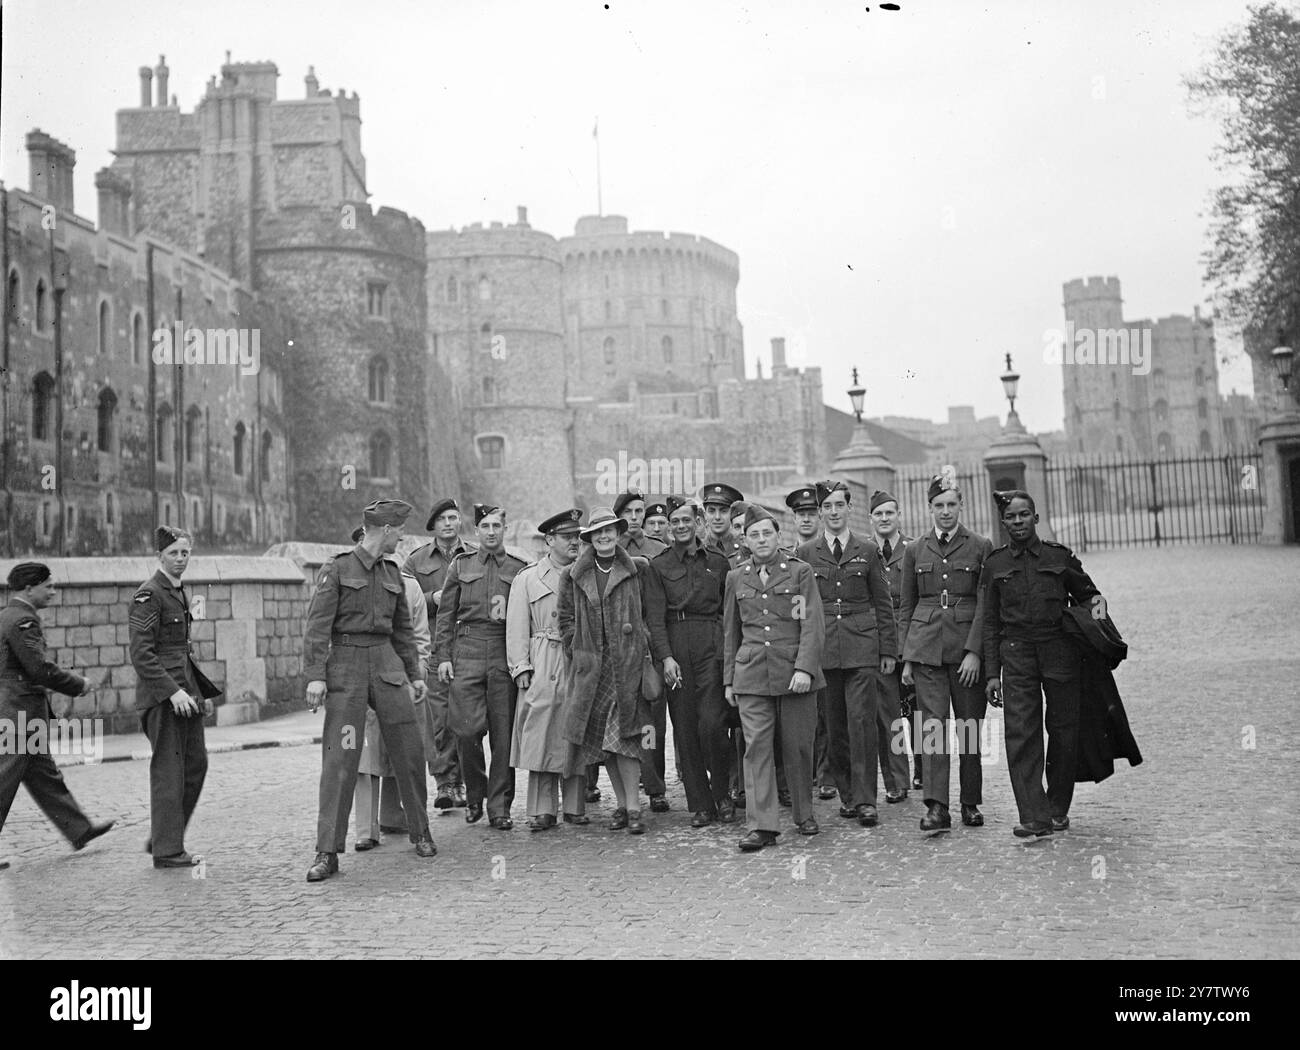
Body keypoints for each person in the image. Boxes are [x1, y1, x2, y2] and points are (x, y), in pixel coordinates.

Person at [302, 499, 435, 883]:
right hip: (346, 667)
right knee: (342, 758)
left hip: (387, 665)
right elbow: (317, 627)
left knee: (409, 748)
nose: (402, 538)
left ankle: (421, 832)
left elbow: (403, 632)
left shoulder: (393, 573)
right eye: (400, 531)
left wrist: (415, 674)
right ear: (387, 530)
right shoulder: (338, 569)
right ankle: (327, 851)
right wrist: (315, 676)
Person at [981, 490, 1107, 838]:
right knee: (1021, 732)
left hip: (1059, 652)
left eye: (1024, 515)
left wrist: (1096, 630)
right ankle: (1033, 814)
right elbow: (989, 623)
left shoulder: (1059, 557)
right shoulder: (995, 565)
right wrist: (992, 674)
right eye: (1011, 517)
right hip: (1016, 653)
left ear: (1035, 518)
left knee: (1064, 729)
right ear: (1003, 522)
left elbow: (1093, 597)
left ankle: (1056, 807)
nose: (1018, 522)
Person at [723, 506, 825, 851]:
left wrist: (804, 668)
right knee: (756, 749)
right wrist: (728, 681)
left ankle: (803, 812)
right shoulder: (736, 577)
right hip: (751, 674)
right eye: (754, 535)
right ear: (744, 540)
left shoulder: (799, 573)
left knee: (797, 746)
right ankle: (762, 826)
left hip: (793, 672)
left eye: (767, 533)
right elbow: (730, 632)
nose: (762, 540)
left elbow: (811, 623)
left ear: (778, 536)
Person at [797, 481, 898, 829]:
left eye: (840, 505)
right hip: (825, 651)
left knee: (862, 724)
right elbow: (802, 608)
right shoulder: (807, 553)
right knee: (835, 727)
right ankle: (848, 795)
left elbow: (883, 604)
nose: (834, 512)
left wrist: (888, 649)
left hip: (862, 648)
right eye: (828, 507)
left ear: (849, 509)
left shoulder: (868, 550)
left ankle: (867, 799)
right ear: (821, 512)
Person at [0, 563, 114, 871]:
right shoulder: (23, 620)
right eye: (48, 586)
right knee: (4, 778)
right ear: (28, 589)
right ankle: (79, 829)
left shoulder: (6, 615)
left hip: (16, 710)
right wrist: (79, 684)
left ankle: (78, 829)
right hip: (19, 714)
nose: (53, 591)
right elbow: (38, 669)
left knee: (43, 775)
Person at [900, 470, 993, 834]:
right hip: (926, 651)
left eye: (952, 504)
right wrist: (908, 657)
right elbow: (907, 606)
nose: (945, 512)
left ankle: (969, 801)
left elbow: (986, 605)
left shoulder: (980, 545)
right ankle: (937, 806)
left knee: (968, 728)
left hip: (965, 652)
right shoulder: (915, 549)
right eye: (938, 505)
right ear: (929, 509)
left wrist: (975, 652)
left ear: (961, 506)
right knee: (932, 729)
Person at [130, 526, 221, 869]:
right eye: (173, 554)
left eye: (185, 553)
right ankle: (167, 851)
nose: (181, 559)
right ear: (159, 557)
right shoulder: (149, 594)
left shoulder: (178, 592)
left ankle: (164, 835)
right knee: (170, 771)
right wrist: (172, 693)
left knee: (196, 765)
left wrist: (199, 693)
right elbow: (142, 655)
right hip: (163, 699)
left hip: (186, 695)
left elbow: (183, 652)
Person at [558, 509, 653, 836]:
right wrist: (577, 647)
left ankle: (634, 808)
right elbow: (565, 619)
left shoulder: (636, 569)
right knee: (605, 742)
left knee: (624, 737)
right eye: (597, 532)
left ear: (617, 532)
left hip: (626, 665)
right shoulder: (573, 575)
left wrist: (644, 646)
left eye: (609, 530)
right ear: (589, 538)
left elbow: (648, 615)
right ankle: (624, 805)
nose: (604, 536)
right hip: (592, 671)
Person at [643, 496, 735, 827]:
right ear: (668, 527)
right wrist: (666, 658)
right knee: (685, 728)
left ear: (697, 522)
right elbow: (654, 620)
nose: (680, 526)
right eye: (674, 522)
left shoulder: (718, 561)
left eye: (685, 520)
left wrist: (726, 650)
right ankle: (700, 804)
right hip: (676, 646)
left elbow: (729, 610)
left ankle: (723, 793)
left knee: (712, 723)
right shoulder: (659, 566)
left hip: (711, 643)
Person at [435, 504, 529, 830]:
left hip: (503, 651)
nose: (491, 532)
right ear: (476, 531)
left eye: (496, 526)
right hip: (467, 650)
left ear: (505, 529)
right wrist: (443, 657)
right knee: (465, 729)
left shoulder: (519, 568)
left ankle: (499, 807)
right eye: (485, 526)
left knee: (503, 736)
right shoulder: (460, 566)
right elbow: (445, 616)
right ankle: (475, 791)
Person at [350, 525, 432, 850]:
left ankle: (398, 818)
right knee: (366, 755)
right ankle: (365, 830)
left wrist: (416, 677)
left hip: (399, 679)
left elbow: (421, 641)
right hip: (361, 679)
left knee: (405, 750)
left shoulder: (408, 586)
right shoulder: (347, 583)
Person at [507, 509, 588, 831]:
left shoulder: (584, 574)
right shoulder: (528, 578)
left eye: (577, 538)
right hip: (542, 658)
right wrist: (521, 666)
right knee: (540, 730)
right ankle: (542, 808)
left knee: (574, 727)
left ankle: (574, 805)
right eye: (567, 537)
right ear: (549, 540)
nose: (574, 543)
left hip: (576, 658)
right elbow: (516, 627)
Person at [402, 497, 470, 811]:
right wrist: (434, 597)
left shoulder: (474, 556)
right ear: (434, 525)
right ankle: (445, 783)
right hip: (432, 649)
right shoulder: (415, 562)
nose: (448, 523)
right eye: (442, 518)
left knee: (465, 719)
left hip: (467, 647)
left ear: (460, 522)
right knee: (438, 720)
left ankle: (465, 782)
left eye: (453, 517)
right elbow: (403, 604)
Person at [616, 489, 669, 811]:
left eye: (639, 511)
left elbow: (659, 602)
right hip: (616, 647)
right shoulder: (608, 548)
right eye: (629, 512)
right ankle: (624, 789)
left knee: (652, 720)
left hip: (647, 644)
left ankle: (655, 784)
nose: (635, 518)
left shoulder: (658, 550)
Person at [787, 484, 836, 802]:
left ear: (819, 516)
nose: (806, 520)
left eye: (810, 514)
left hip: (830, 639)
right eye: (800, 515)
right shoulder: (788, 557)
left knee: (829, 715)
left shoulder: (828, 552)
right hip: (798, 643)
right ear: (793, 519)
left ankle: (827, 774)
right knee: (805, 716)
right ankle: (805, 774)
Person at [868, 489, 915, 803]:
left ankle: (928, 770)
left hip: (913, 641)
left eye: (889, 513)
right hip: (880, 642)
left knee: (924, 713)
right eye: (878, 514)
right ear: (871, 519)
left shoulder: (914, 549)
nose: (884, 519)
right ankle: (897, 780)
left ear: (899, 516)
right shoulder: (867, 552)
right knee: (889, 716)